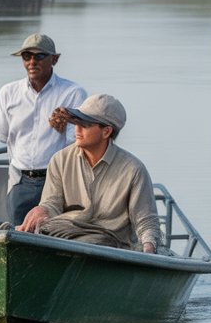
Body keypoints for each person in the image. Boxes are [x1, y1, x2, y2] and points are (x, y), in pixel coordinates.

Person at [17, 94, 160, 254]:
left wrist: (149, 250)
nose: (76, 130)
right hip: (64, 233)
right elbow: (53, 203)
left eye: (84, 125)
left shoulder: (133, 170)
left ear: (106, 131)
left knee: (95, 242)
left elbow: (146, 221)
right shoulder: (60, 159)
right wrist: (42, 210)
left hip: (109, 244)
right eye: (76, 123)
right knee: (21, 235)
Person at [0, 33, 87, 226]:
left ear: (55, 59)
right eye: (27, 56)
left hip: (57, 180)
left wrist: (64, 124)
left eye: (39, 56)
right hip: (20, 180)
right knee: (19, 236)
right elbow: (0, 132)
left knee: (56, 235)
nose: (32, 61)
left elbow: (74, 141)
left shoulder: (72, 93)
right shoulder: (8, 92)